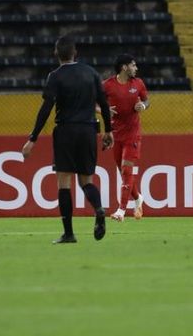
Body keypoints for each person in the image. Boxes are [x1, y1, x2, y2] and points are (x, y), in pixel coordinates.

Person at [22, 35, 113, 244]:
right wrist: (108, 130)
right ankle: (98, 208)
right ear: (75, 53)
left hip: (66, 131)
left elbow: (46, 109)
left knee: (64, 183)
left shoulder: (55, 76)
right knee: (86, 181)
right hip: (89, 130)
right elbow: (104, 105)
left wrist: (33, 138)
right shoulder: (91, 73)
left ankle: (69, 233)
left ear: (56, 54)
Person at [103, 54, 148, 222]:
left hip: (133, 134)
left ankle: (121, 210)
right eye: (133, 65)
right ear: (124, 67)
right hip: (115, 135)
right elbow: (93, 102)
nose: (136, 68)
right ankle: (138, 198)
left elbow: (146, 100)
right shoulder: (107, 85)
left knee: (127, 170)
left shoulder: (138, 84)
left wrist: (143, 105)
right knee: (124, 173)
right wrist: (104, 110)